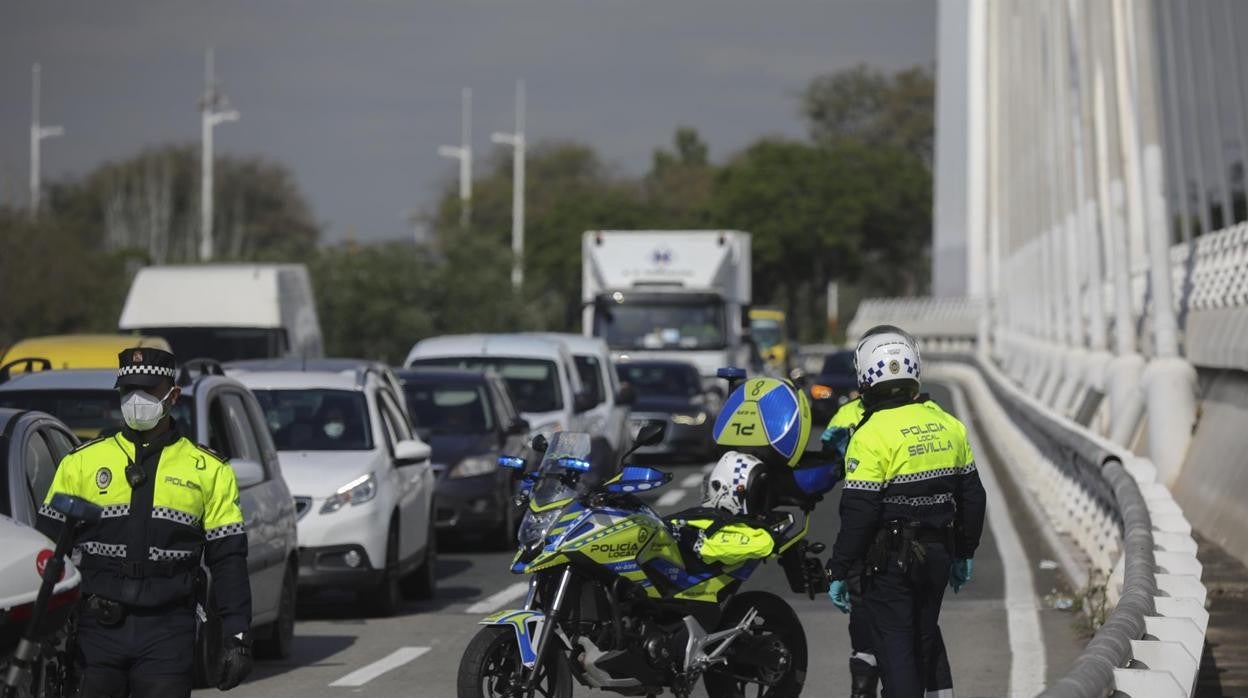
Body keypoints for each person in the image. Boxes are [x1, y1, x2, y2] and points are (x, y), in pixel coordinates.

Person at [37, 347, 252, 697]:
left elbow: (228, 559)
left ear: (173, 395)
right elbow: (46, 552)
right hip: (96, 632)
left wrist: (238, 635)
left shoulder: (209, 470)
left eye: (148, 391)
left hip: (168, 632)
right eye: (128, 391)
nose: (136, 400)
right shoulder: (80, 464)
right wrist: (37, 630)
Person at [823, 328, 986, 697]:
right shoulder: (948, 425)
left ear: (865, 376)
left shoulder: (870, 433)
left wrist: (839, 568)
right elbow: (973, 496)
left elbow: (859, 513)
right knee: (923, 641)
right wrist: (965, 552)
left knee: (896, 653)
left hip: (890, 564)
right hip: (938, 557)